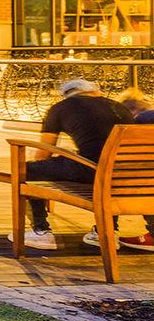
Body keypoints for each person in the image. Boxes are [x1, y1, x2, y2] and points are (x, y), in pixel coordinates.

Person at [14, 79, 147, 252]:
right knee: (106, 169)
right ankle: (105, 233)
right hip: (128, 172)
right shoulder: (119, 107)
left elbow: (43, 154)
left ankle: (41, 231)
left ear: (67, 94)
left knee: (28, 170)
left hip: (91, 171)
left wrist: (63, 156)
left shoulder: (60, 108)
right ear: (95, 91)